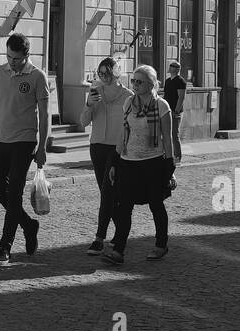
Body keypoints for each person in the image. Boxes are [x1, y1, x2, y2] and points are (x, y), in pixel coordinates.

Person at [0, 33, 49, 267]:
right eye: (9, 57)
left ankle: (4, 248)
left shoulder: (37, 76)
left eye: (17, 59)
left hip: (24, 141)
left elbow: (44, 114)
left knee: (14, 194)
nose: (12, 62)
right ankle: (29, 225)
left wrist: (42, 146)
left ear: (26, 56)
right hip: (0, 139)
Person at [102, 64, 175, 265]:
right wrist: (115, 162)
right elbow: (124, 133)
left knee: (156, 205)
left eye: (139, 81)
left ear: (151, 84)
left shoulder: (162, 106)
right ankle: (118, 250)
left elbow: (168, 139)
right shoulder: (128, 103)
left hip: (152, 163)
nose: (134, 84)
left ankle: (161, 244)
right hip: (128, 162)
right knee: (122, 207)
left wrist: (170, 167)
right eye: (133, 80)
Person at [80, 56, 132, 256]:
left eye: (107, 74)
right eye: (100, 74)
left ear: (116, 73)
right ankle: (121, 232)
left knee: (108, 193)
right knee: (108, 193)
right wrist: (88, 105)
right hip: (97, 148)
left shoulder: (128, 95)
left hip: (116, 150)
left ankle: (99, 239)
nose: (104, 77)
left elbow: (130, 126)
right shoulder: (95, 92)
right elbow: (83, 122)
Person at [161, 60, 188, 162]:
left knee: (174, 134)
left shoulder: (181, 81)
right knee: (165, 133)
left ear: (176, 69)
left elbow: (181, 97)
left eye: (172, 66)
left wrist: (176, 111)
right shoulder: (168, 81)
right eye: (171, 66)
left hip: (175, 111)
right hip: (166, 111)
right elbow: (165, 95)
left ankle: (177, 156)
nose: (169, 67)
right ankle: (166, 154)